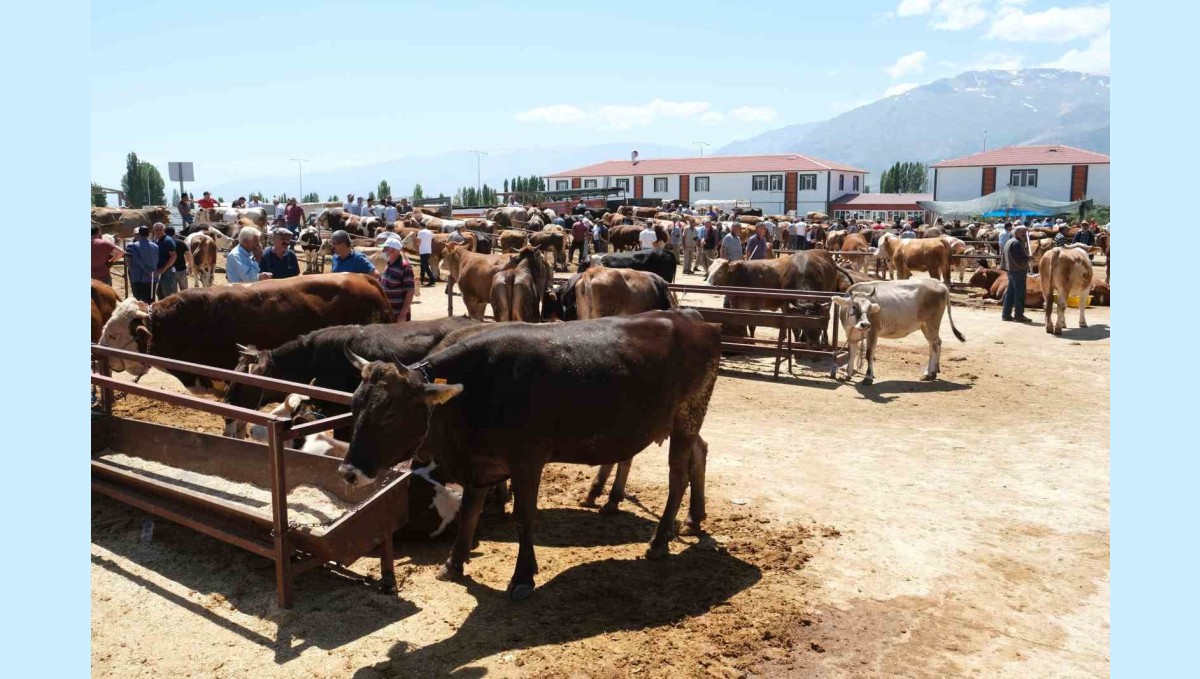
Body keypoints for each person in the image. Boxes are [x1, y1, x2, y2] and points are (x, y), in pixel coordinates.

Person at [380, 236, 416, 321]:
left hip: (398, 316)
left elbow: (410, 291)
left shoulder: (405, 266)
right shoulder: (388, 265)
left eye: (385, 248)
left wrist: (403, 314)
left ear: (392, 250)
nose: (382, 251)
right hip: (388, 314)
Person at [1002, 225, 1032, 323]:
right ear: (1016, 232)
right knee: (1019, 294)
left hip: (1010, 270)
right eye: (1022, 232)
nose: (1024, 234)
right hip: (1018, 271)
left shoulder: (1009, 242)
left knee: (1010, 293)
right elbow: (1020, 259)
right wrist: (1029, 258)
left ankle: (1006, 314)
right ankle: (1019, 315)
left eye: (1025, 231)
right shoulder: (1016, 243)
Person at [125, 225, 159, 303]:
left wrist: (131, 269)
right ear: (149, 234)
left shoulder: (132, 246)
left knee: (139, 300)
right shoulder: (155, 246)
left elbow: (130, 260)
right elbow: (156, 260)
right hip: (152, 277)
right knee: (151, 299)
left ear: (139, 234)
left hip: (138, 277)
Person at [151, 222, 179, 299]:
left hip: (167, 272)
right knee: (160, 294)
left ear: (164, 230)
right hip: (158, 271)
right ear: (154, 230)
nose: (159, 231)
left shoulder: (168, 241)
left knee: (169, 295)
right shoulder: (155, 240)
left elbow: (173, 256)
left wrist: (163, 269)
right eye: (157, 230)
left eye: (160, 229)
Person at [166, 226, 190, 291]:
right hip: (181, 269)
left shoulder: (164, 243)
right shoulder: (181, 242)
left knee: (173, 292)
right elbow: (189, 255)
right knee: (184, 291)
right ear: (174, 233)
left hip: (169, 271)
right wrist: (191, 266)